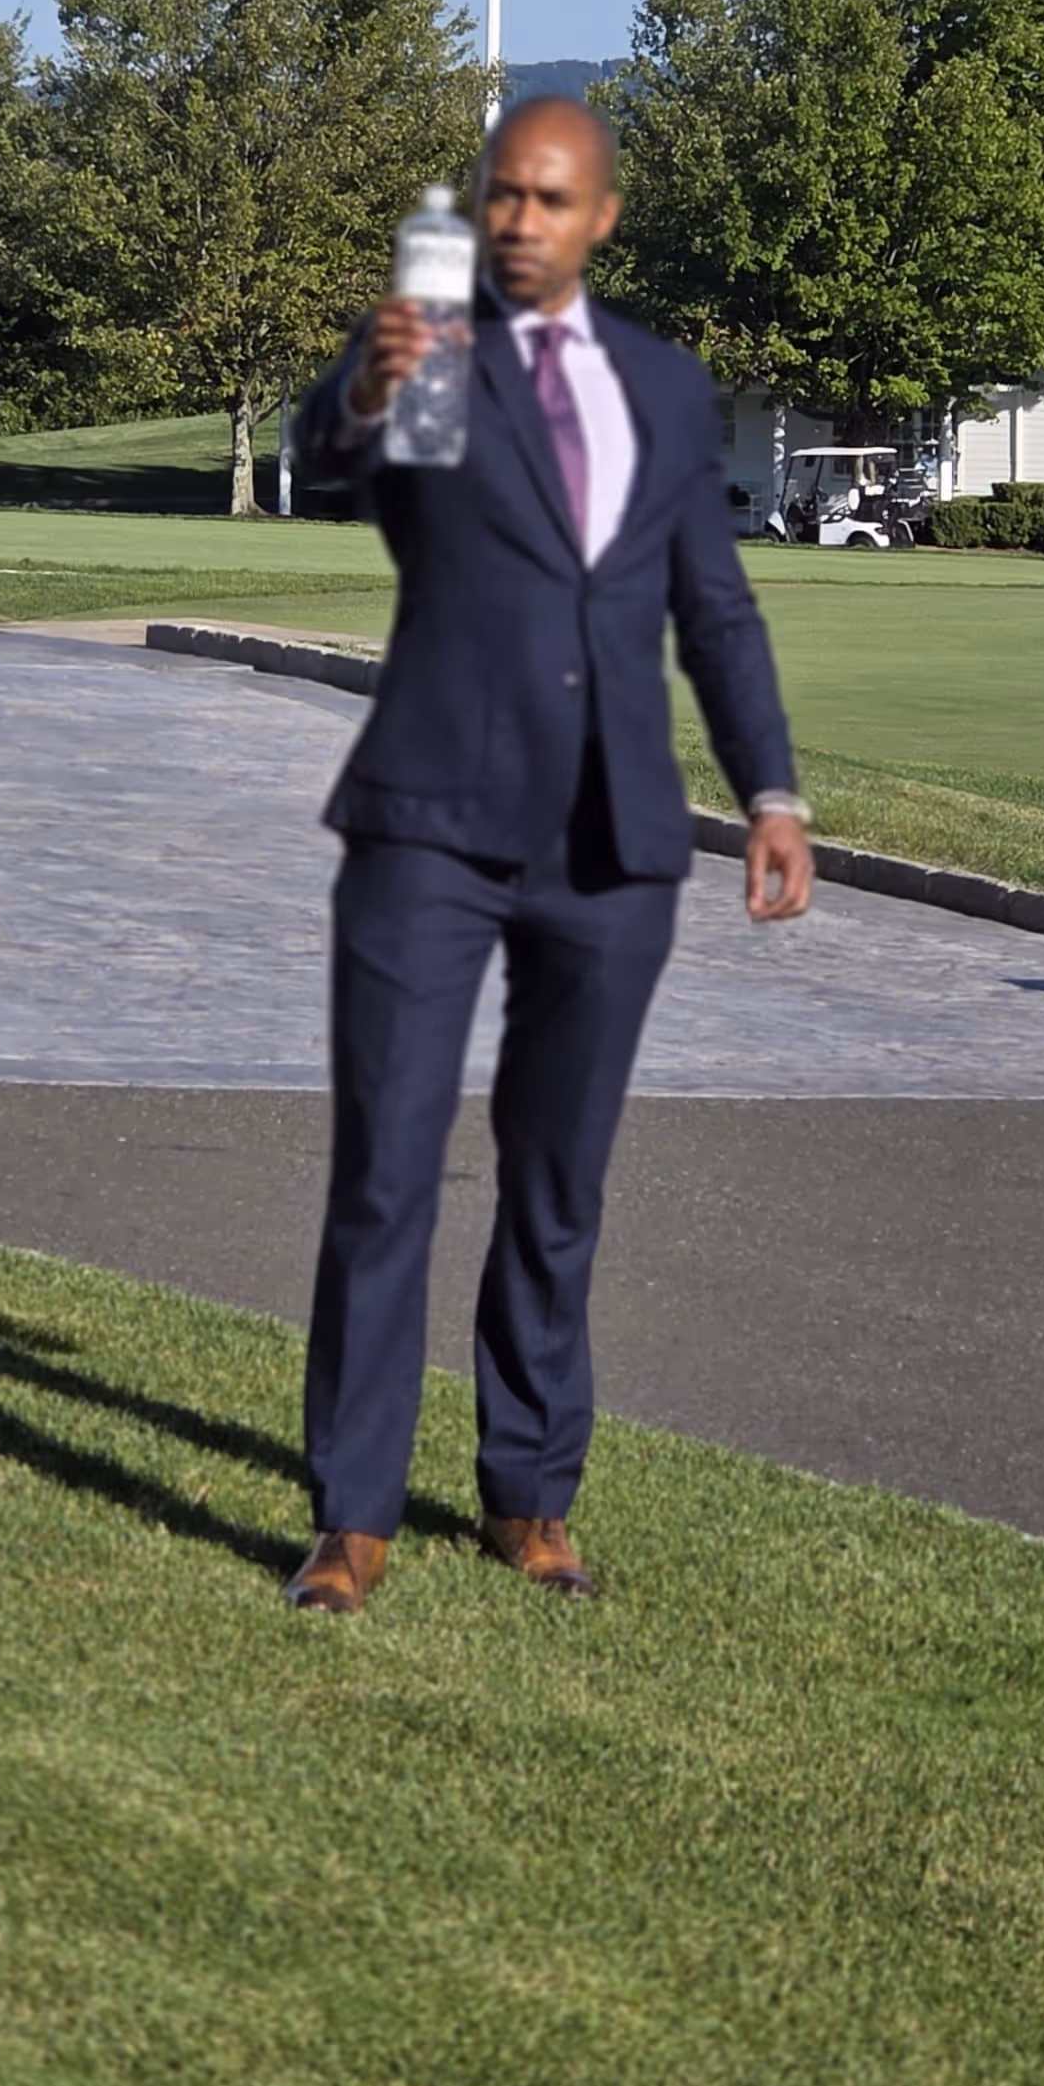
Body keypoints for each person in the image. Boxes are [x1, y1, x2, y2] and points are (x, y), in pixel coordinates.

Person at [278, 95, 813, 1617]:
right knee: (386, 1173)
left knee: (557, 1182)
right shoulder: (432, 361)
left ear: (602, 220)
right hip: (429, 828)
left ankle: (530, 1495)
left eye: (551, 200)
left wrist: (771, 792)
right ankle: (353, 1516)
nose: (520, 220)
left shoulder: (665, 388)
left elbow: (713, 607)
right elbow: (343, 472)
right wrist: (362, 395)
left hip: (614, 844)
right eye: (502, 196)